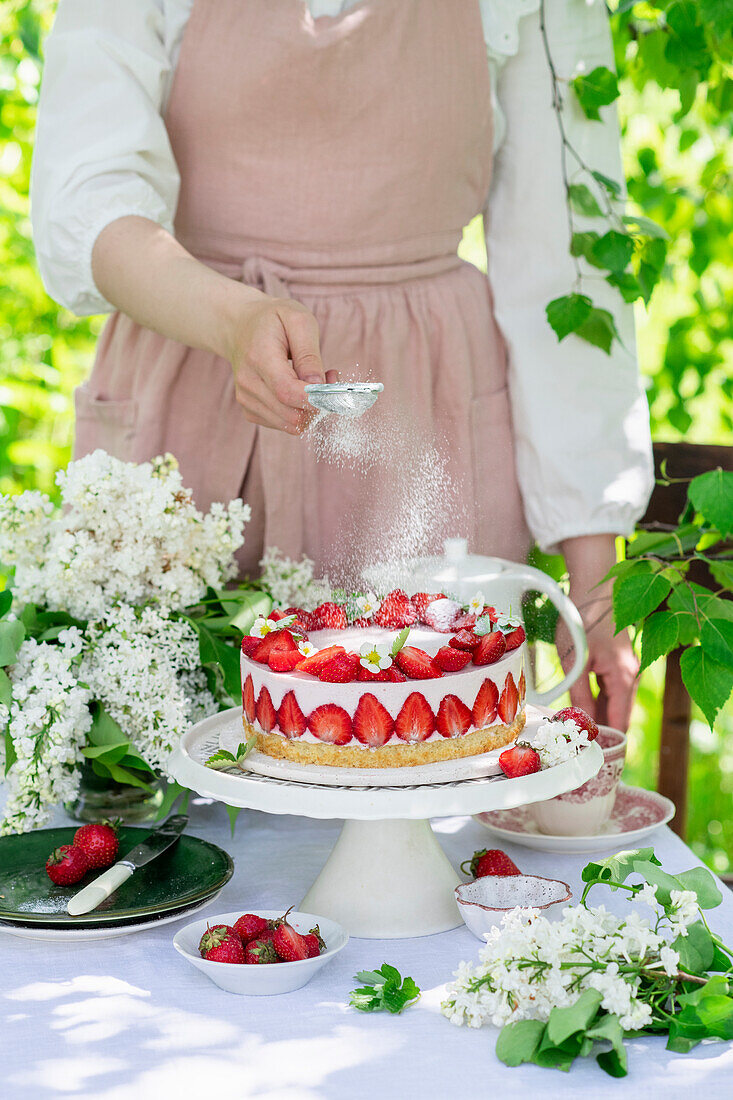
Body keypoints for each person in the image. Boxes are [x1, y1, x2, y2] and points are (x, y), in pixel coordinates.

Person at [30, 0, 654, 731]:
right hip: (190, 391)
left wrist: (593, 584)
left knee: (422, 754)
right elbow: (86, 202)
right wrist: (233, 322)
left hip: (423, 419)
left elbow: (565, 267)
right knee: (159, 770)